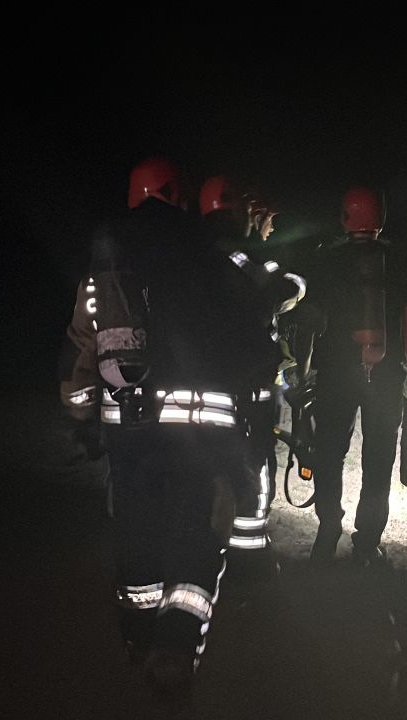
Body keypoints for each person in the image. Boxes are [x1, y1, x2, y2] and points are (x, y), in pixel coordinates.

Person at [57, 156, 281, 697]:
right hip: (204, 422)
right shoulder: (207, 248)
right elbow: (253, 334)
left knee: (137, 529)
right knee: (200, 531)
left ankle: (139, 634)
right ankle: (177, 642)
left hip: (130, 426)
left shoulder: (110, 256)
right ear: (179, 196)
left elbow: (85, 341)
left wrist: (81, 411)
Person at [300, 186, 407, 567]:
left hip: (335, 375)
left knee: (329, 454)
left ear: (345, 217)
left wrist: (302, 372)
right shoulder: (399, 262)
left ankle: (328, 529)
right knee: (378, 462)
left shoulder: (325, 261)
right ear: (380, 217)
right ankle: (367, 544)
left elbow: (310, 324)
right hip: (385, 378)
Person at [197, 173, 307, 582]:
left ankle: (208, 549)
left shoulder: (190, 254)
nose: (271, 228)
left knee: (209, 466)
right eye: (268, 219)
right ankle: (248, 559)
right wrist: (295, 282)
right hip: (248, 387)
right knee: (254, 464)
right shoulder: (238, 257)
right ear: (248, 212)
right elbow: (274, 290)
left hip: (206, 384)